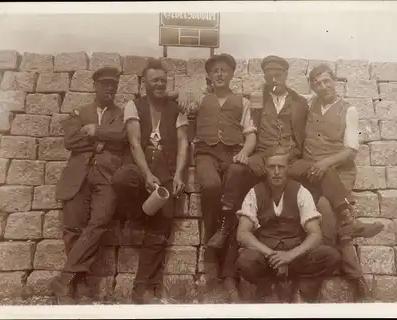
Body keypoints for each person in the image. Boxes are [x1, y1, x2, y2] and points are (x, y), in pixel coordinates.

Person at [289, 63, 379, 301]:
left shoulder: (348, 110)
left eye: (327, 81)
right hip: (311, 172)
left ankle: (317, 278)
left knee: (326, 212)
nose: (323, 86)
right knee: (333, 216)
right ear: (312, 86)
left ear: (335, 81)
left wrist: (325, 163)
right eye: (317, 82)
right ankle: (356, 274)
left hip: (337, 175)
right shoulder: (310, 103)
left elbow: (350, 151)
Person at [178, 53, 257, 302]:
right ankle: (213, 257)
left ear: (232, 74)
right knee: (211, 186)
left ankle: (226, 266)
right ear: (209, 76)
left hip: (232, 153)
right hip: (206, 154)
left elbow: (251, 134)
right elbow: (181, 116)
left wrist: (244, 152)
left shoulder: (241, 102)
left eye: (224, 70)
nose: (220, 75)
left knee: (237, 177)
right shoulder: (199, 99)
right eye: (215, 71)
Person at [112, 58, 189, 304]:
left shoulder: (176, 109)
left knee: (160, 230)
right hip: (140, 169)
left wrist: (178, 175)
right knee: (123, 178)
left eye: (163, 81)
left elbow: (183, 144)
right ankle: (135, 217)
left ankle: (142, 289)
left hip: (165, 174)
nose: (159, 84)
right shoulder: (133, 106)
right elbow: (134, 142)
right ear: (144, 83)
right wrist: (146, 174)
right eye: (155, 80)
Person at [51, 67, 126, 304]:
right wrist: (99, 143)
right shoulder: (80, 112)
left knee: (100, 222)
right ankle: (78, 284)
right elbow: (70, 141)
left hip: (106, 177)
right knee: (73, 228)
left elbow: (123, 136)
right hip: (78, 176)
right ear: (95, 86)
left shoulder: (122, 114)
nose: (109, 89)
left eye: (113, 85)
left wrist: (96, 131)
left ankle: (63, 279)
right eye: (105, 84)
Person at [236, 147, 341, 303]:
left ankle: (301, 288)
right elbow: (242, 233)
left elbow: (315, 234)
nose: (276, 171)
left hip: (296, 256)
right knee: (245, 261)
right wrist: (271, 255)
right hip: (267, 258)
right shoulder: (255, 192)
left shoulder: (301, 192)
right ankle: (268, 289)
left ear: (288, 169)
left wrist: (290, 256)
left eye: (281, 167)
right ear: (266, 169)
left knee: (332, 257)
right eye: (272, 167)